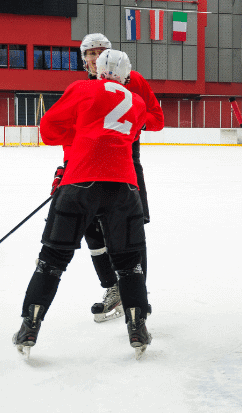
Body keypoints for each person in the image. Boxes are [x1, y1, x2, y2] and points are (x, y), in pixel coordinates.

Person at [14, 49, 152, 358]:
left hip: (80, 182)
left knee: (51, 259)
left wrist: (80, 137)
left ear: (98, 70)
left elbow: (49, 128)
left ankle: (30, 325)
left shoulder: (82, 88)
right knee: (130, 265)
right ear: (126, 75)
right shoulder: (138, 102)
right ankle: (137, 327)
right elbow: (131, 136)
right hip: (124, 186)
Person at [57, 33, 163, 323]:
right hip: (84, 167)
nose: (94, 59)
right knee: (91, 230)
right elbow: (68, 131)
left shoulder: (133, 80)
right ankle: (112, 288)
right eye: (89, 54)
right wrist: (66, 166)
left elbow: (156, 117)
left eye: (99, 52)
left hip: (125, 163)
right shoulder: (81, 87)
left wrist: (128, 124)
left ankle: (137, 294)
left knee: (132, 231)